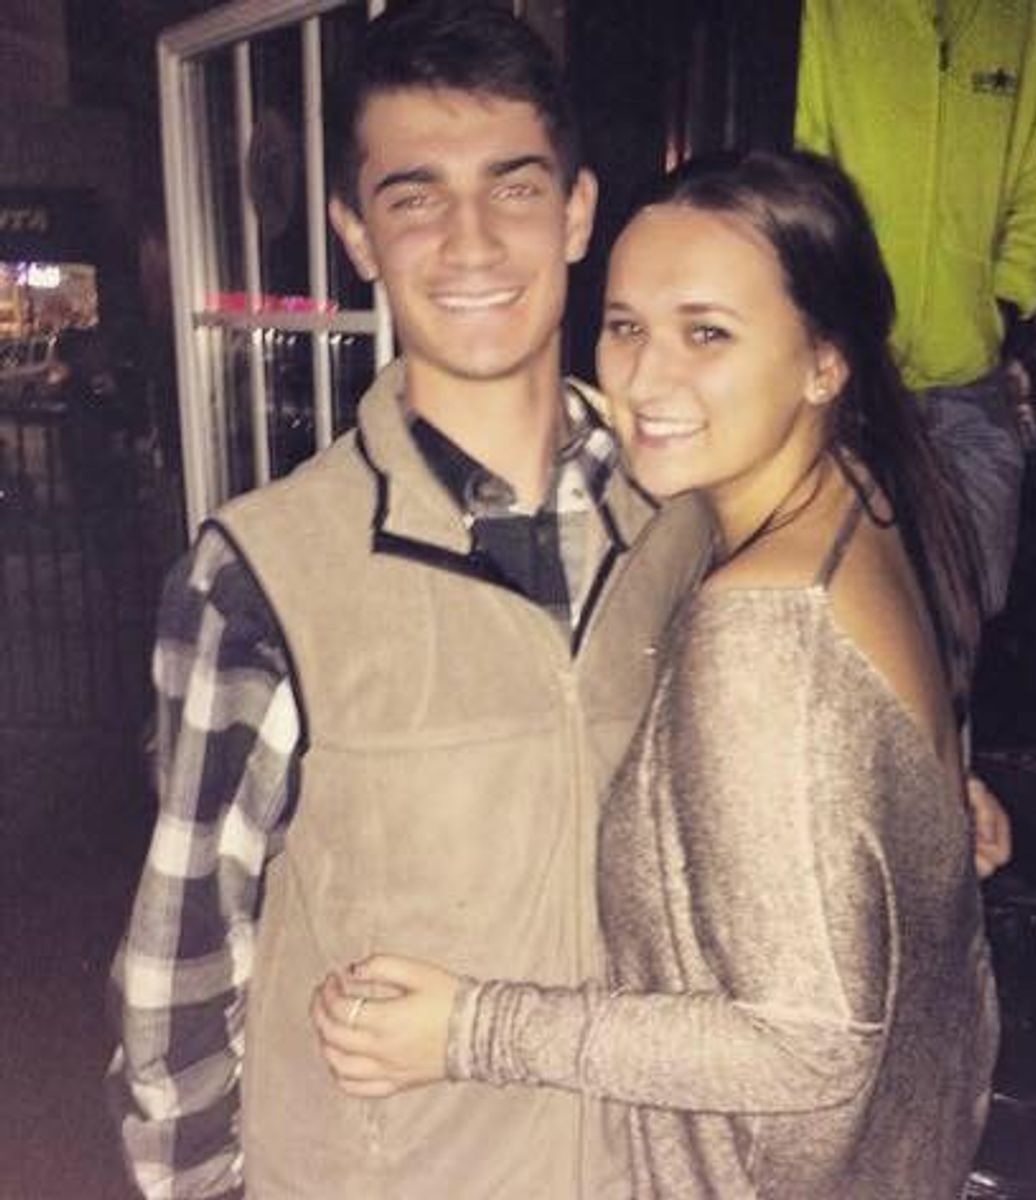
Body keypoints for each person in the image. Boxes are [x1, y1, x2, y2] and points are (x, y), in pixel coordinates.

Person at [312, 149, 1001, 1199]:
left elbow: (807, 1047)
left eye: (707, 333)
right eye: (626, 326)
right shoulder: (862, 501)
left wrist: (470, 1028)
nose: (643, 378)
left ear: (824, 362)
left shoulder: (759, 631)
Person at [105, 3, 711, 1196]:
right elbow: (183, 961)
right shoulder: (265, 576)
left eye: (514, 187)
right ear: (356, 234)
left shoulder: (691, 528)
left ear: (577, 211)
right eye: (416, 196)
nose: (471, 243)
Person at [794, 0, 1036, 619]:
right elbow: (798, 158)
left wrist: (1005, 298)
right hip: (840, 382)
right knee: (833, 618)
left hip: (969, 384)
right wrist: (833, 314)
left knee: (960, 623)